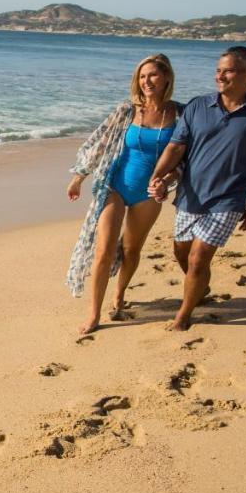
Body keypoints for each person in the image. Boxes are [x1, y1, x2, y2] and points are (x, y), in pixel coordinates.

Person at [148, 46, 246, 331]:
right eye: (218, 70)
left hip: (229, 199)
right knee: (181, 252)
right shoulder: (197, 106)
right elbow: (176, 146)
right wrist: (157, 176)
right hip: (191, 194)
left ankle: (184, 316)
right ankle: (200, 289)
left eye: (228, 70)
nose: (220, 76)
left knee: (198, 259)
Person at [66, 54, 181, 334]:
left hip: (149, 194)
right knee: (103, 251)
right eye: (142, 76)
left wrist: (168, 179)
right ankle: (94, 314)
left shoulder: (180, 114)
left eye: (152, 75)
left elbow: (184, 160)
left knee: (131, 250)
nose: (147, 81)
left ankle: (119, 295)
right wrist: (79, 177)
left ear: (166, 77)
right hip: (115, 187)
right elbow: (100, 143)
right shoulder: (127, 111)